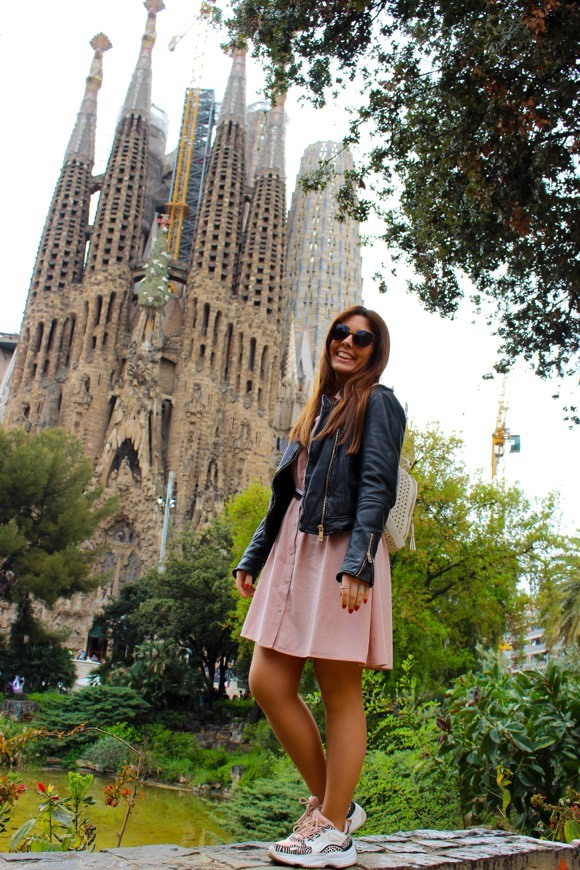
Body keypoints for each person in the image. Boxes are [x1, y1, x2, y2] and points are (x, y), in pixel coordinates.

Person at [235, 305, 406, 868]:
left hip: (340, 550)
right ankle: (339, 804)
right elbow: (284, 495)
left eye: (362, 338)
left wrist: (359, 564)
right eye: (341, 333)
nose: (347, 344)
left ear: (373, 353)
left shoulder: (378, 403)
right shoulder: (313, 411)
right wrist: (254, 555)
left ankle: (332, 825)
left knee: (339, 690)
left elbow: (377, 484)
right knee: (266, 678)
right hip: (293, 550)